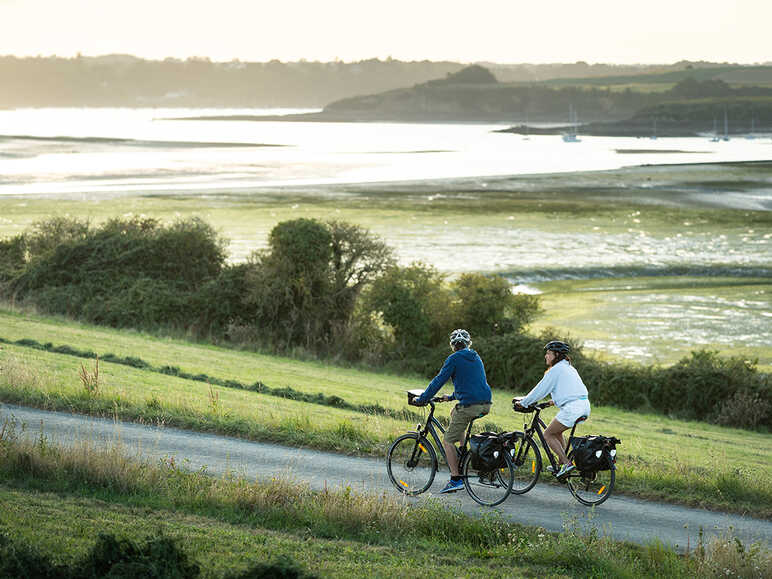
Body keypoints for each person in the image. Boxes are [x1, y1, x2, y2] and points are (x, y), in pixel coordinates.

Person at [415, 329, 492, 494]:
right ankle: (464, 450)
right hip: (485, 404)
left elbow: (438, 380)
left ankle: (455, 479)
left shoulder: (454, 358)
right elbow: (471, 384)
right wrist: (450, 397)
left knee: (448, 440)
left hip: (471, 405)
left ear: (453, 345)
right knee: (454, 413)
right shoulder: (475, 357)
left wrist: (423, 398)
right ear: (468, 343)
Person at [513, 340, 590, 480]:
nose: (546, 356)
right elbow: (571, 390)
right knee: (557, 432)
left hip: (572, 409)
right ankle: (562, 464)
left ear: (556, 355)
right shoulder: (569, 368)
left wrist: (523, 403)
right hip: (584, 406)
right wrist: (552, 402)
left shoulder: (555, 370)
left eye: (548, 353)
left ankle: (567, 464)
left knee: (548, 434)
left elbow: (539, 391)